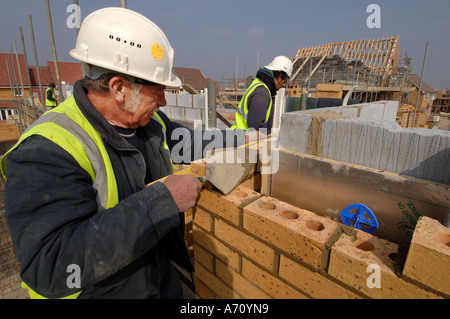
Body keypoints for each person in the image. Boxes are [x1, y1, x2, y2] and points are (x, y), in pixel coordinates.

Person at [0, 7, 204, 299]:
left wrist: (246, 139)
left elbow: (190, 141)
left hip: (158, 283)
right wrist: (163, 201)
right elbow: (51, 265)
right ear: (119, 88)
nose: (162, 101)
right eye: (157, 90)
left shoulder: (148, 122)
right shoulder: (47, 150)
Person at [232, 56, 293, 136]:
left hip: (242, 138)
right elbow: (256, 126)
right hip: (247, 143)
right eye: (283, 82)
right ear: (280, 76)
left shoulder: (259, 84)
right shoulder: (262, 93)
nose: (282, 86)